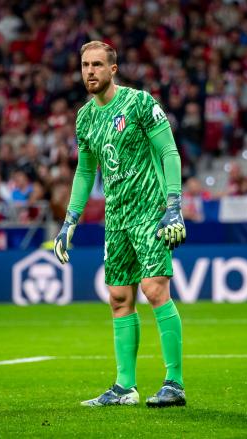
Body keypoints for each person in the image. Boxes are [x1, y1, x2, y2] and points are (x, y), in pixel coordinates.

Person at [53, 41, 186, 408]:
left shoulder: (140, 103)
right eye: (84, 65)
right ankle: (125, 387)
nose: (90, 71)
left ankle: (174, 382)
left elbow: (168, 151)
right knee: (118, 297)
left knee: (154, 288)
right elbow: (84, 171)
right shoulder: (85, 117)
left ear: (113, 69)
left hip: (150, 210)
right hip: (116, 217)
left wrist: (173, 205)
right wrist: (70, 221)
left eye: (97, 64)